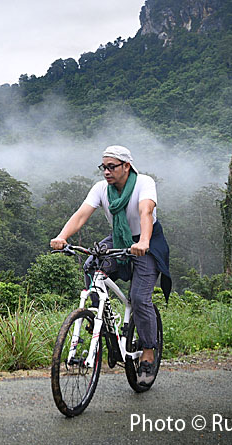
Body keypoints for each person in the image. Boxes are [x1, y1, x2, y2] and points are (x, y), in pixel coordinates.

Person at [49, 145, 171, 386]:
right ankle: (100, 318)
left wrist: (144, 241)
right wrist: (62, 237)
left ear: (126, 166)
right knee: (91, 266)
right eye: (103, 167)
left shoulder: (143, 183)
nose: (106, 171)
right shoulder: (101, 189)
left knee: (139, 298)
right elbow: (81, 215)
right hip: (118, 239)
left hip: (147, 241)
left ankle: (147, 352)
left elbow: (146, 212)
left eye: (111, 166)